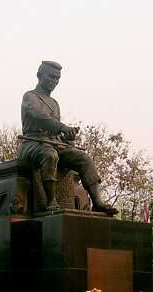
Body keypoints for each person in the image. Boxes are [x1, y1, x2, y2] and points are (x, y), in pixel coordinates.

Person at [16, 61, 118, 215]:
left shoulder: (54, 103)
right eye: (51, 76)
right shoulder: (30, 96)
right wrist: (62, 127)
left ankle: (97, 202)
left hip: (54, 143)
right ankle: (51, 201)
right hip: (32, 143)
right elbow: (40, 116)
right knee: (49, 155)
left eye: (57, 78)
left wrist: (67, 137)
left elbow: (55, 130)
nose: (54, 81)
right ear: (39, 75)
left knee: (84, 158)